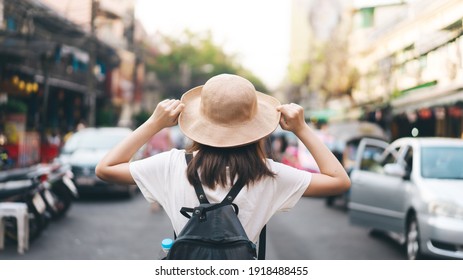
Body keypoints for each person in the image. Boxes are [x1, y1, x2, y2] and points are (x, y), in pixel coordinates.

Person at [96, 73, 350, 245]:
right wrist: (301, 128)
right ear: (256, 126)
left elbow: (106, 168)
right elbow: (339, 181)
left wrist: (154, 123)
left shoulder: (171, 165)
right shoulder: (269, 174)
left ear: (200, 120)